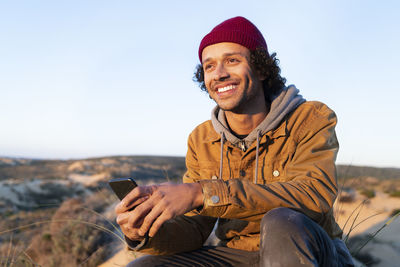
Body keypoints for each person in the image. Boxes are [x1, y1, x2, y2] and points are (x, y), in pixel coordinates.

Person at [115, 16, 354, 266]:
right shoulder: (202, 138)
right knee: (143, 265)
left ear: (261, 69)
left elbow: (314, 194)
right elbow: (195, 229)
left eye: (232, 60)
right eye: (209, 66)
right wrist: (143, 232)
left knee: (282, 221)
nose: (218, 74)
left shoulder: (310, 117)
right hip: (237, 256)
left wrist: (203, 193)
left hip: (309, 250)